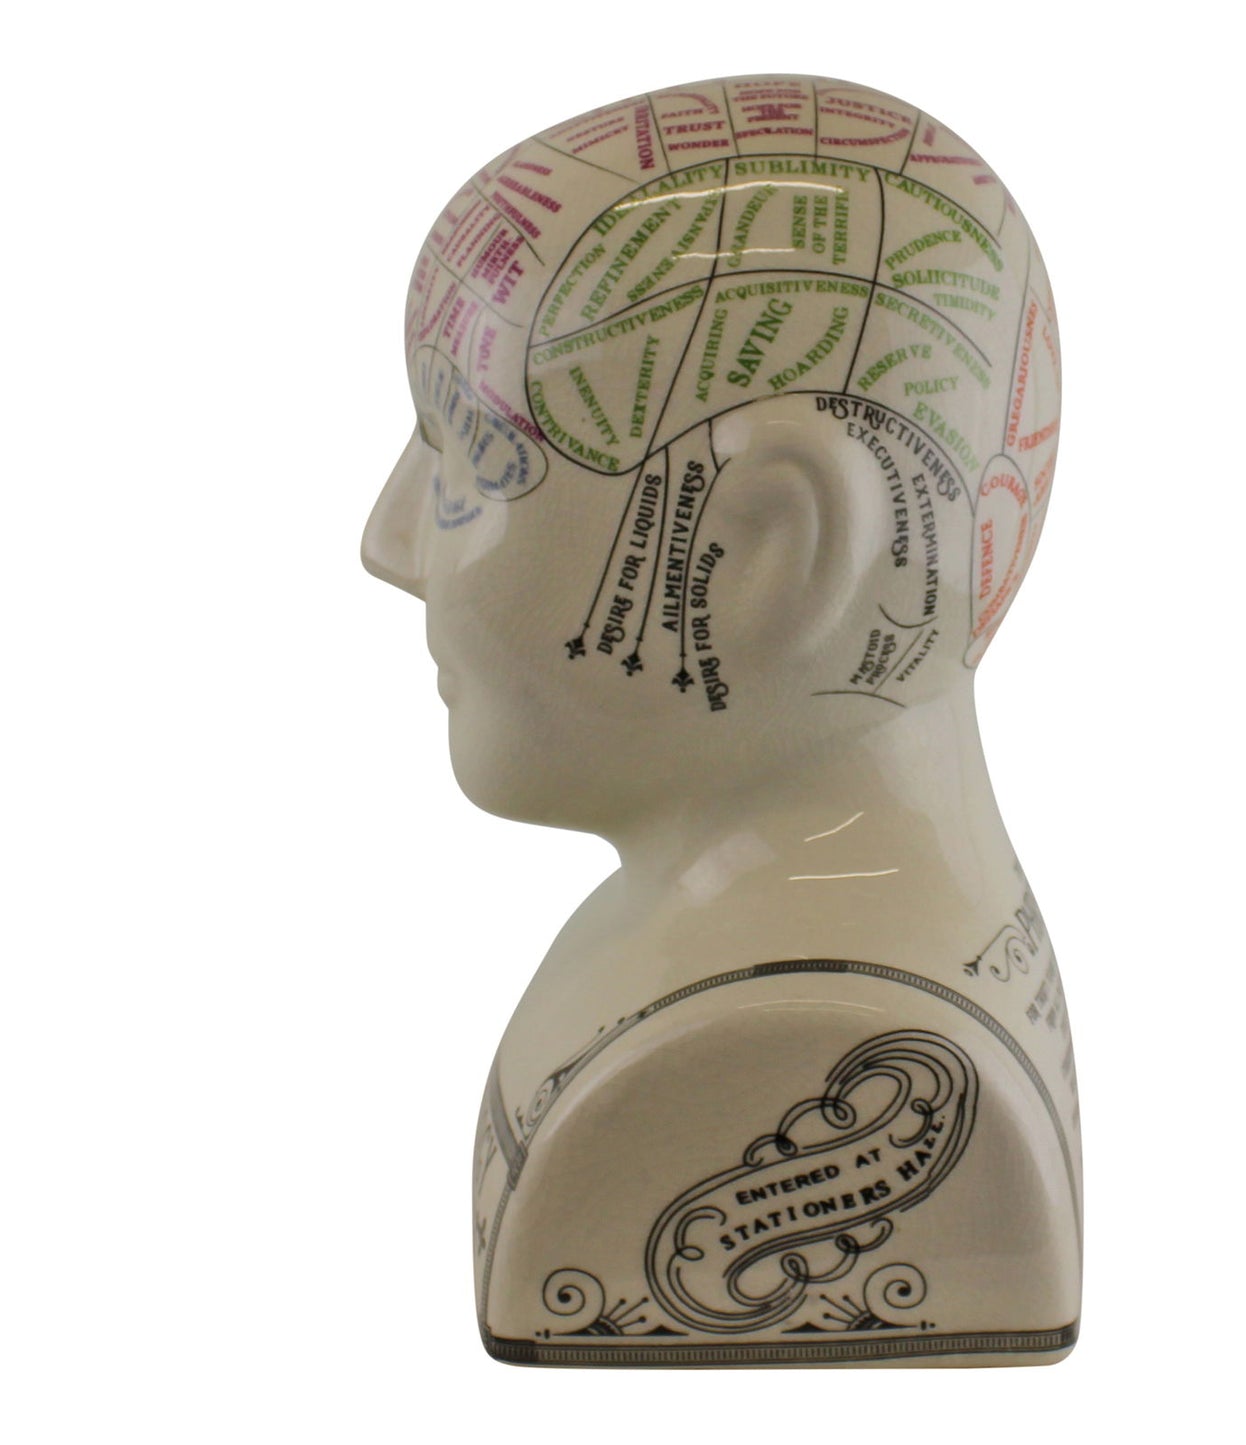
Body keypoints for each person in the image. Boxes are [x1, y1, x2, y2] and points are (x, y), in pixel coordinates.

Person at [363, 74, 1078, 1367]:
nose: (385, 539)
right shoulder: (718, 942)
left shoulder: (753, 1029)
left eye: (464, 456)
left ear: (765, 551)